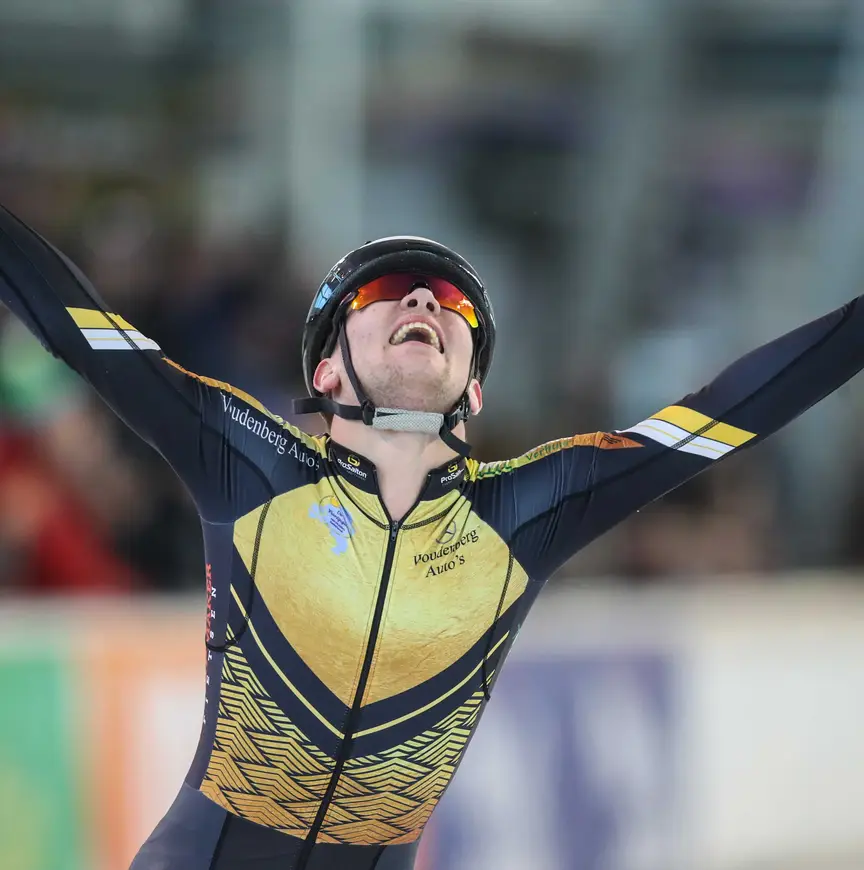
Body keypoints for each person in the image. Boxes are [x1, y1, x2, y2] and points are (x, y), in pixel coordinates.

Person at [1, 203, 863, 870]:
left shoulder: (526, 511)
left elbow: (729, 414)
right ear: (327, 370)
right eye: (383, 293)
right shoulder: (249, 462)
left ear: (472, 390)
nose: (422, 300)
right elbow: (78, 329)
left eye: (452, 304)